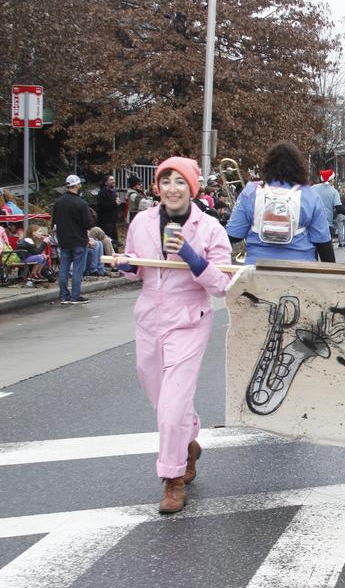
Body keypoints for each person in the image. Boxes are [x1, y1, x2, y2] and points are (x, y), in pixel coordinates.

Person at [110, 157, 231, 513]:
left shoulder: (209, 228)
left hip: (189, 318)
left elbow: (223, 285)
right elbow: (137, 268)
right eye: (166, 181)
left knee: (172, 404)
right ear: (158, 187)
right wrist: (128, 265)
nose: (172, 189)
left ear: (192, 188)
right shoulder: (142, 222)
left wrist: (194, 259)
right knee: (160, 399)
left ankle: (173, 479)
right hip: (149, 318)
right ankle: (187, 442)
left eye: (181, 182)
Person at [227, 142, 335, 265]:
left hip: (257, 267)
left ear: (267, 165)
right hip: (300, 269)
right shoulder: (310, 195)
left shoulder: (251, 191)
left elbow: (234, 235)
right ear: (299, 167)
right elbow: (323, 243)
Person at [52, 174, 94, 305]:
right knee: (77, 269)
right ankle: (75, 296)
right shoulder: (81, 203)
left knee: (64, 268)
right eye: (79, 184)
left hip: (63, 240)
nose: (80, 185)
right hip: (78, 240)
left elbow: (54, 222)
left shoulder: (58, 202)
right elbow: (88, 224)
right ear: (76, 185)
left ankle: (64, 296)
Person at [313, 169, 345, 248]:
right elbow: (339, 207)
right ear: (331, 180)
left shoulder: (313, 188)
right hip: (327, 224)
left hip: (314, 224)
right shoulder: (334, 192)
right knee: (327, 254)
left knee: (313, 251)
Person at [96, 174, 120, 251]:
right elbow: (102, 205)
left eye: (114, 179)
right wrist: (114, 203)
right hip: (105, 221)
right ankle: (107, 256)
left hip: (113, 220)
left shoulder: (113, 191)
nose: (113, 181)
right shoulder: (102, 193)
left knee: (114, 239)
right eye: (111, 180)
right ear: (106, 182)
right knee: (107, 240)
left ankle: (114, 253)